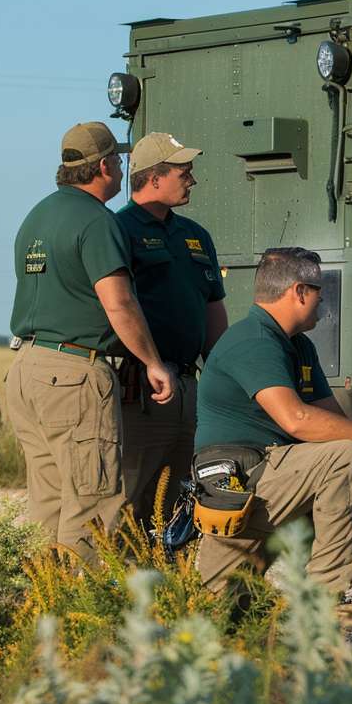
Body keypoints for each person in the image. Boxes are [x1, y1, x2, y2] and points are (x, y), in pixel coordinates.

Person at [193, 247, 352, 596]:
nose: (323, 301)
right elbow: (296, 420)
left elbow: (333, 420)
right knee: (218, 604)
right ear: (299, 292)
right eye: (318, 292)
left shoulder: (299, 347)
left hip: (274, 474)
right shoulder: (253, 339)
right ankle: (322, 599)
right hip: (240, 477)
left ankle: (318, 595)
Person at [4, 121, 176, 557]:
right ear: (104, 166)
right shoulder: (97, 221)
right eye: (117, 160)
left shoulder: (36, 216)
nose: (121, 169)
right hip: (74, 375)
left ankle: (43, 593)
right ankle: (83, 597)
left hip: (25, 369)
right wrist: (153, 362)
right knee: (93, 503)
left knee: (48, 503)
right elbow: (119, 303)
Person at [115, 132, 228, 524]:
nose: (192, 180)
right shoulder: (118, 230)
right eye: (184, 172)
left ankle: (168, 562)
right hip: (141, 388)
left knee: (180, 496)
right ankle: (121, 563)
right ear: (154, 177)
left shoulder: (195, 235)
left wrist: (221, 375)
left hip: (187, 384)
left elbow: (213, 308)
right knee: (129, 494)